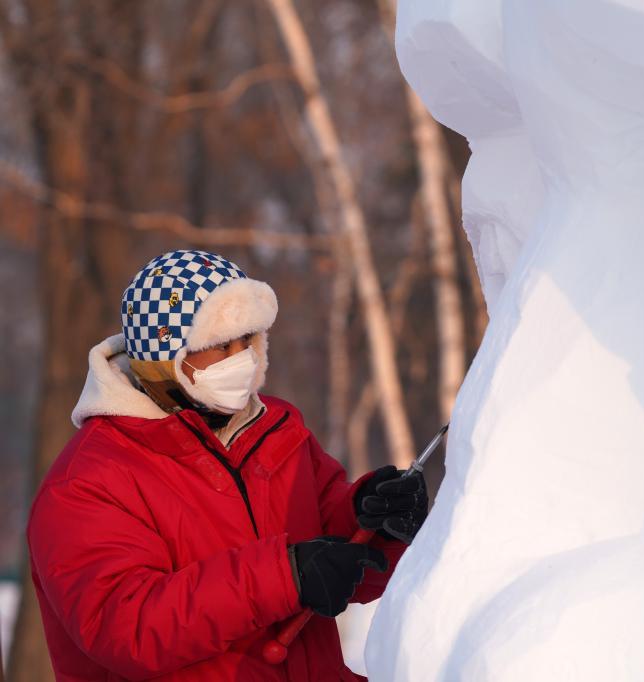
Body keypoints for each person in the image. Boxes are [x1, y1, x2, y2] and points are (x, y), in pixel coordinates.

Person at [26, 249, 428, 681]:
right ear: (166, 356)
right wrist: (284, 575)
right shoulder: (87, 481)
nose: (243, 358)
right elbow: (128, 628)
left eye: (248, 340)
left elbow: (331, 554)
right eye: (221, 345)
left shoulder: (277, 432)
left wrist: (375, 520)